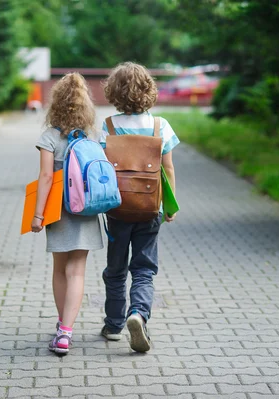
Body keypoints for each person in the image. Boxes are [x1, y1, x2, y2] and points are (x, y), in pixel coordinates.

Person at [99, 62, 179, 352]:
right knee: (144, 268)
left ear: (114, 91)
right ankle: (139, 314)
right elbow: (167, 170)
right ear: (149, 90)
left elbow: (101, 169)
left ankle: (113, 325)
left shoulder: (107, 126)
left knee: (115, 269)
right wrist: (169, 206)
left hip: (118, 209)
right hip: (150, 208)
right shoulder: (161, 126)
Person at [32, 73, 104, 355]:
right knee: (77, 272)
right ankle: (66, 332)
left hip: (59, 211)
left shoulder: (49, 137)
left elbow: (46, 177)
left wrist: (38, 215)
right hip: (87, 209)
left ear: (56, 104)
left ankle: (62, 325)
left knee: (60, 269)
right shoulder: (94, 136)